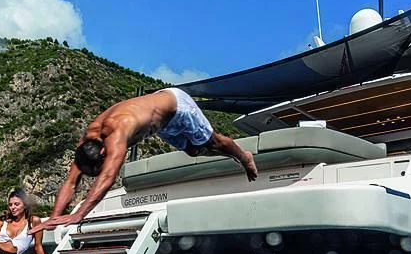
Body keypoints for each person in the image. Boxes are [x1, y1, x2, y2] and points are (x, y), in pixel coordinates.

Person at [29, 88, 258, 234]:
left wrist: (79, 214)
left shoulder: (118, 134)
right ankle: (228, 153)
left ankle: (242, 155)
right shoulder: (87, 143)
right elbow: (70, 183)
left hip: (178, 106)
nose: (101, 171)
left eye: (99, 167)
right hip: (162, 120)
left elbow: (109, 177)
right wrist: (55, 217)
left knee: (212, 143)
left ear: (103, 154)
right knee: (193, 151)